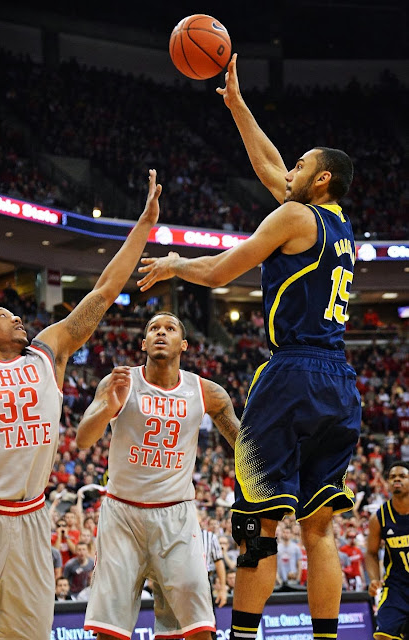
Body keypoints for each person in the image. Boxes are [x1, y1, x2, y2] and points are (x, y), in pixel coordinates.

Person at [137, 55, 361, 640]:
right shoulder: (335, 225)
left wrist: (176, 263)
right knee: (319, 530)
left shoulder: (293, 216)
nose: (290, 168)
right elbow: (273, 170)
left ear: (318, 182)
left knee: (258, 524)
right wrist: (237, 105)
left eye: (302, 165)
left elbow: (217, 273)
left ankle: (242, 637)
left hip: (292, 376)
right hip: (339, 381)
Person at [0, 169, 162, 640]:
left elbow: (103, 292)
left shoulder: (46, 352)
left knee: (27, 633)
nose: (17, 315)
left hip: (33, 517)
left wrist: (143, 227)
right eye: (4, 314)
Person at [76, 311, 240, 640]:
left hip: (176, 515)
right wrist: (109, 407)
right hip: (123, 514)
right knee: (110, 629)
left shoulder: (206, 391)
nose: (160, 333)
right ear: (143, 343)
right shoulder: (120, 381)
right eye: (153, 329)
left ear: (184, 344)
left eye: (169, 329)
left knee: (198, 625)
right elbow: (82, 439)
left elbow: (242, 444)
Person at [366, 461, 409, 640]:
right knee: (383, 635)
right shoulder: (379, 517)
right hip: (396, 587)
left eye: (402, 476)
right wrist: (374, 578)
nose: (396, 479)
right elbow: (371, 553)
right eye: (392, 477)